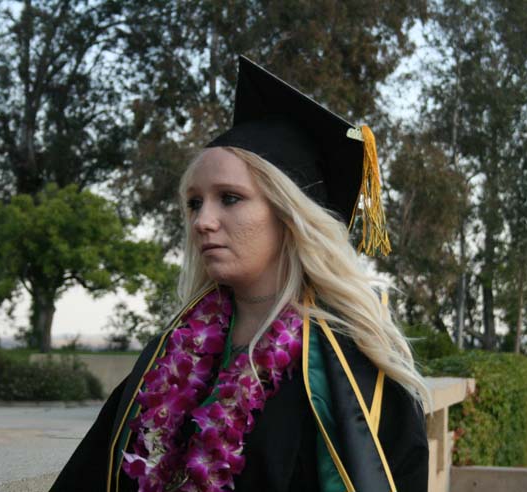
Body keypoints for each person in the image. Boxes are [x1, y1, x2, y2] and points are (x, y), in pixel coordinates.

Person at [51, 55, 429, 492]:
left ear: (290, 215)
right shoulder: (171, 351)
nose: (202, 221)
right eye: (194, 202)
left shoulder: (352, 364)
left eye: (229, 198)